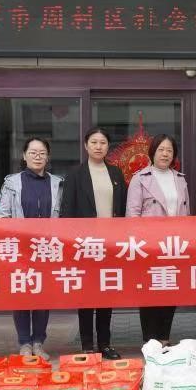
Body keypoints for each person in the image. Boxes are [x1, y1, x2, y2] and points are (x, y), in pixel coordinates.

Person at [61, 128, 126, 359]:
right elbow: (67, 211)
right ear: (86, 146)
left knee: (106, 294)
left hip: (110, 244)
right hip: (85, 245)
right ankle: (87, 344)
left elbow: (122, 210)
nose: (99, 146)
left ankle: (105, 343)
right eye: (94, 142)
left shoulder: (116, 173)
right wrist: (71, 244)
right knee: (86, 295)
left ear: (108, 146)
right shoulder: (75, 174)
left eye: (103, 142)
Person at [0, 137, 63, 360]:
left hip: (46, 248)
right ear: (24, 156)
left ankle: (38, 342)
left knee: (43, 296)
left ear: (48, 157)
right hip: (20, 248)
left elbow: (62, 216)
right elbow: (3, 216)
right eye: (33, 152)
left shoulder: (57, 183)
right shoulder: (12, 183)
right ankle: (24, 342)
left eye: (42, 153)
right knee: (22, 295)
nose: (37, 156)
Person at [126, 134, 190, 346]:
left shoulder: (180, 179)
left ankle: (164, 337)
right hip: (150, 246)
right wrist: (138, 244)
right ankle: (150, 340)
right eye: (161, 149)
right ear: (152, 152)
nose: (165, 154)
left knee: (171, 290)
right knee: (150, 292)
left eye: (169, 150)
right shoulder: (140, 178)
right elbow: (132, 215)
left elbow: (186, 213)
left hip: (174, 245)